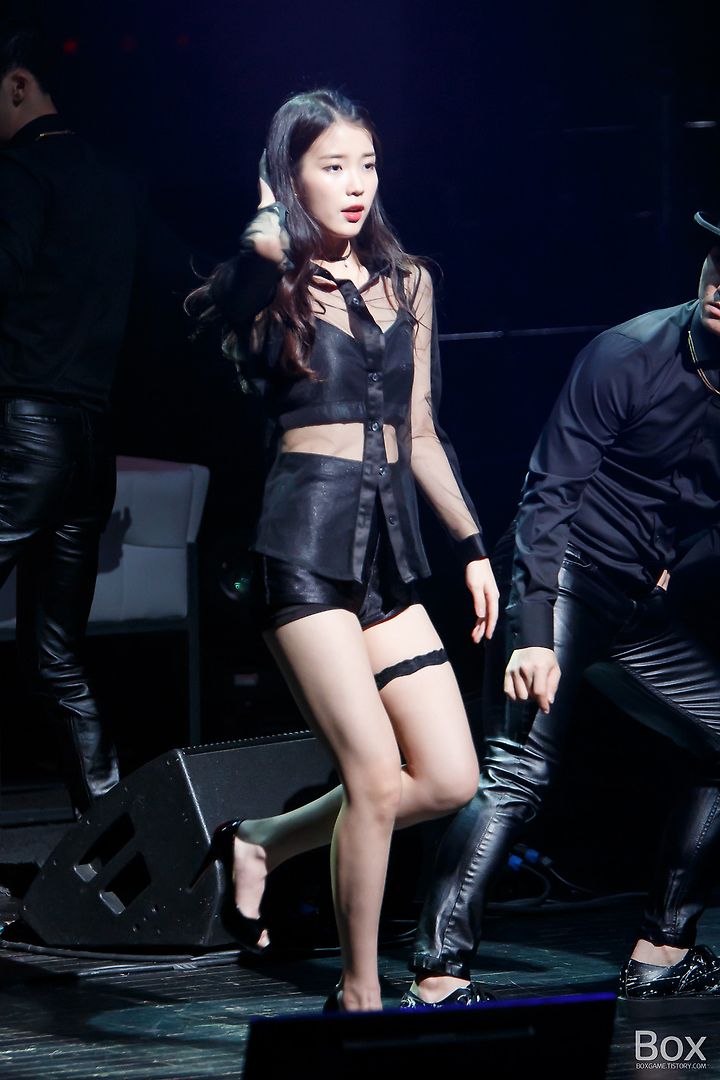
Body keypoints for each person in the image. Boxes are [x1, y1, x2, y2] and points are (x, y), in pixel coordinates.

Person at [187, 88, 499, 1013]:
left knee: (449, 776)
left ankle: (263, 841)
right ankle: (359, 996)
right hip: (303, 548)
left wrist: (474, 546)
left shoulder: (410, 282)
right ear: (291, 178)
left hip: (388, 554)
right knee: (370, 777)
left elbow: (421, 432)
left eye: (367, 164)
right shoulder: (270, 283)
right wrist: (267, 225)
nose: (356, 184)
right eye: (332, 166)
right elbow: (245, 274)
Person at [399, 210, 720, 1011]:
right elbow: (549, 494)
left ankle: (662, 951)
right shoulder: (629, 353)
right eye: (719, 260)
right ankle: (438, 976)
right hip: (566, 572)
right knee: (519, 771)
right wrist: (535, 630)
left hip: (636, 597)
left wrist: (678, 564)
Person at [0, 22, 137, 815]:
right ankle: (115, 837)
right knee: (56, 656)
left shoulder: (20, 171)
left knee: (54, 655)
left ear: (18, 84)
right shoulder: (117, 180)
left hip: (24, 434)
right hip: (92, 444)